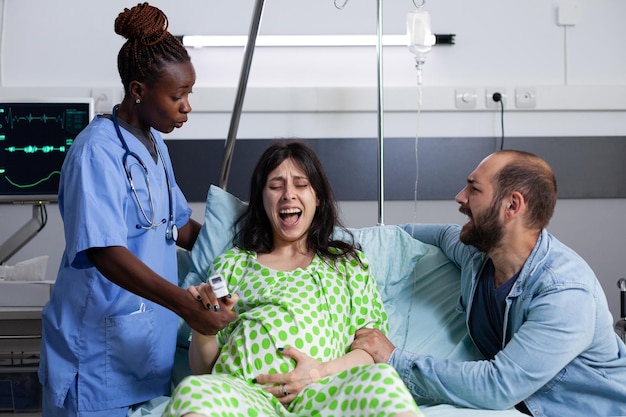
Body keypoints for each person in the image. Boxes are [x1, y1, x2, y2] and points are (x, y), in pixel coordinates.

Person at [38, 3, 236, 417]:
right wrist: (184, 305)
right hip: (95, 354)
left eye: (189, 94)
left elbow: (176, 226)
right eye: (177, 95)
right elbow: (104, 252)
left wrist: (248, 245)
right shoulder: (96, 152)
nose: (187, 107)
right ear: (138, 90)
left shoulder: (154, 145)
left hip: (143, 345)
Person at [352, 150, 626, 417]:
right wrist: (329, 238)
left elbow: (498, 387)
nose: (460, 197)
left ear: (512, 205)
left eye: (474, 189)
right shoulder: (478, 256)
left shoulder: (565, 294)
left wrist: (394, 358)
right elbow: (412, 234)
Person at [162, 141, 422, 417]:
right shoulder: (233, 264)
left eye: (301, 184)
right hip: (244, 395)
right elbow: (205, 370)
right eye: (276, 186)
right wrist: (204, 326)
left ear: (318, 197)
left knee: (383, 382)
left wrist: (317, 373)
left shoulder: (347, 264)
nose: (288, 195)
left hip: (324, 393)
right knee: (194, 392)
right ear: (262, 200)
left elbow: (371, 352)